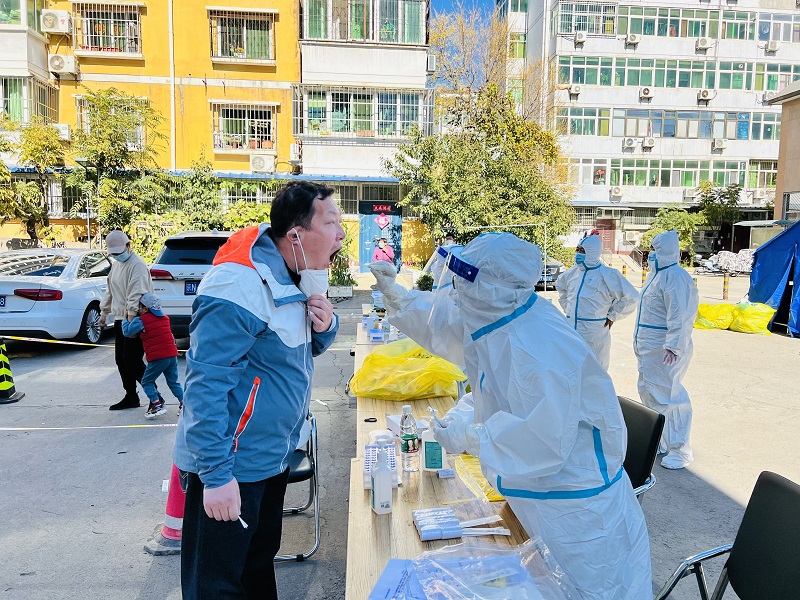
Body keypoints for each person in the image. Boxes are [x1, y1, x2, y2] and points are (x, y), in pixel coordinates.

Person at [370, 233, 652, 599]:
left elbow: (545, 440)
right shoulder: (498, 315)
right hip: (535, 498)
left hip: (577, 518)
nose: (456, 290)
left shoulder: (541, 346)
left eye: (465, 281)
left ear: (489, 288)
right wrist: (398, 297)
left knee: (581, 593)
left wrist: (471, 436)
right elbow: (453, 333)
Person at [173, 181, 344, 600]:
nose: (341, 234)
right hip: (232, 464)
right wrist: (216, 476)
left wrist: (326, 325)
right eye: (331, 222)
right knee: (218, 586)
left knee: (257, 566)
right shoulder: (238, 287)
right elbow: (205, 387)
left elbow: (290, 352)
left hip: (271, 457)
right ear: (296, 235)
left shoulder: (296, 273)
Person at [634, 230, 699, 470]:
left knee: (671, 398)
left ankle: (680, 450)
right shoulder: (657, 276)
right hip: (650, 350)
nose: (650, 254)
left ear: (665, 251)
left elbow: (681, 315)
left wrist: (674, 346)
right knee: (651, 395)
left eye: (655, 249)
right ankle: (660, 441)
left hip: (665, 351)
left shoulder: (676, 277)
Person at [556, 234, 639, 370]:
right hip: (572, 330)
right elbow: (561, 288)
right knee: (571, 368)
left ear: (592, 252)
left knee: (594, 370)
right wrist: (568, 308)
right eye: (577, 249)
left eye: (582, 251)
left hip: (594, 333)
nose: (578, 254)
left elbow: (631, 298)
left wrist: (612, 315)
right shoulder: (572, 273)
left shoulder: (607, 274)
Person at [99, 230, 154, 411]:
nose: (117, 256)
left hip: (135, 319)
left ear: (129, 246)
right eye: (113, 254)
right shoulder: (116, 265)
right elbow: (110, 290)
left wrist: (130, 322)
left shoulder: (137, 265)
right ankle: (131, 396)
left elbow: (136, 293)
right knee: (121, 361)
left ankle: (155, 397)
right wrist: (104, 312)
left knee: (133, 361)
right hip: (121, 319)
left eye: (119, 252)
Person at [121, 293, 183, 419]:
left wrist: (124, 319)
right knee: (173, 382)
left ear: (145, 308)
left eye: (140, 307)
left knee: (146, 381)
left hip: (158, 357)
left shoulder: (141, 320)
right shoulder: (165, 318)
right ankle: (184, 404)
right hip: (172, 355)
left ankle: (156, 404)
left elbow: (127, 332)